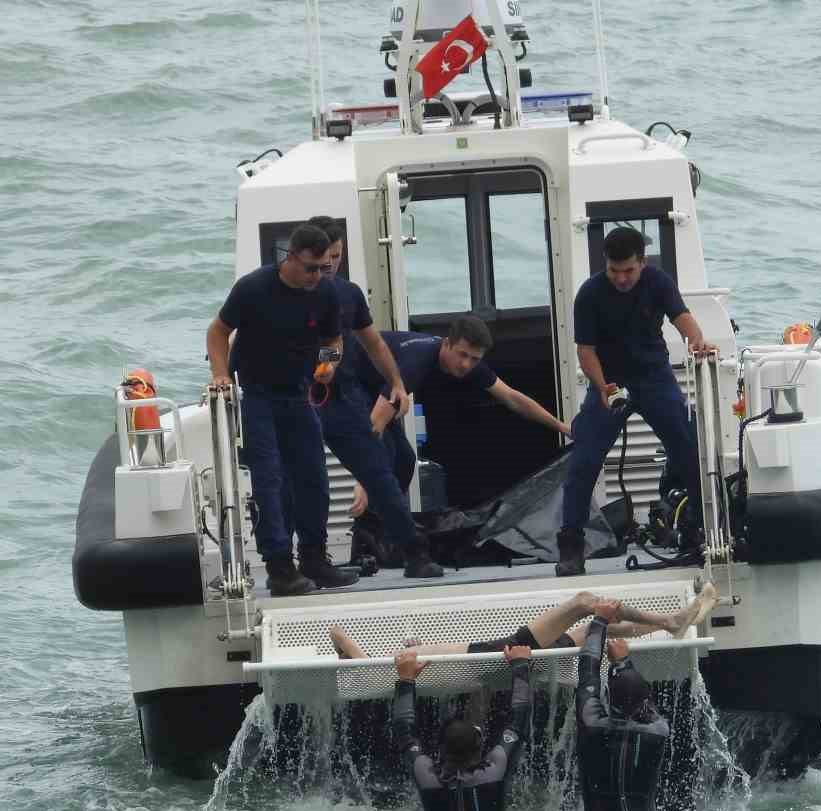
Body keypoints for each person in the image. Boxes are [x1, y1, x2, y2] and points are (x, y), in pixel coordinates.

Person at [557, 227, 719, 576]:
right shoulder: (589, 294)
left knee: (688, 449)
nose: (622, 278)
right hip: (609, 380)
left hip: (654, 376)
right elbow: (585, 352)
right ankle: (571, 545)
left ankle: (699, 530)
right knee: (584, 460)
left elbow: (682, 318)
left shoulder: (658, 281)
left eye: (629, 270)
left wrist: (697, 341)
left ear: (642, 263)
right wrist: (603, 387)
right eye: (615, 271)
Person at [207, 223, 355, 596]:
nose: (317, 276)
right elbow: (218, 331)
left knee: (314, 479)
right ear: (290, 257)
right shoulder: (253, 288)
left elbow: (333, 340)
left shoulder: (325, 294)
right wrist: (221, 374)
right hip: (257, 396)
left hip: (299, 394)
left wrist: (328, 364)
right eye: (310, 268)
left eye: (323, 268)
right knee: (270, 481)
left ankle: (314, 558)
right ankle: (278, 567)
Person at [301, 215, 442, 579]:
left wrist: (395, 380)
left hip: (341, 396)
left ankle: (412, 550)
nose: (330, 263)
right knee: (306, 479)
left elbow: (370, 341)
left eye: (336, 254)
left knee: (381, 472)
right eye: (324, 256)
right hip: (298, 398)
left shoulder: (346, 294)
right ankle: (308, 560)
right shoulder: (285, 291)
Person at [347, 315, 574, 528]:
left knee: (405, 460)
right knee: (384, 452)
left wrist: (562, 426)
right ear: (446, 344)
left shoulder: (468, 366)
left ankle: (384, 531)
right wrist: (362, 479)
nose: (466, 364)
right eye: (462, 354)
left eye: (474, 359)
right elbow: (375, 423)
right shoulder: (418, 360)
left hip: (370, 381)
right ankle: (368, 534)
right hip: (345, 373)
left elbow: (512, 398)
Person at [576, 582, 720, 811]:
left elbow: (587, 671)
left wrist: (600, 621)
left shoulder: (592, 724)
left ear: (608, 698)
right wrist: (624, 662)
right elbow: (640, 701)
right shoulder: (658, 730)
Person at [391, 644, 533, 811]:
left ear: (439, 749)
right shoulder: (493, 773)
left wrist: (406, 680)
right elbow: (519, 721)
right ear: (480, 746)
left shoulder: (428, 777)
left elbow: (405, 732)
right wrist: (521, 666)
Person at [328, 585, 717, 660]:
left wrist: (346, 656)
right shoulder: (393, 665)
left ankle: (672, 622)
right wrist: (347, 653)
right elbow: (337, 633)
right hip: (504, 651)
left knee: (596, 630)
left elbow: (339, 641)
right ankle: (669, 622)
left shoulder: (399, 665)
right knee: (583, 603)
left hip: (503, 651)